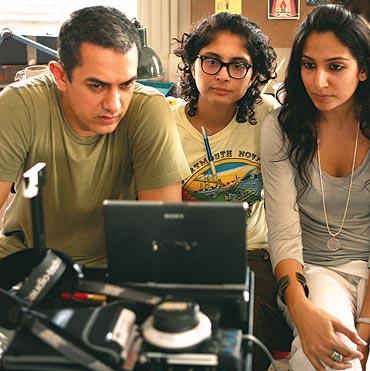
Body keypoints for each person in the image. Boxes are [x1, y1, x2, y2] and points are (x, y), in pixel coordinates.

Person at [0, 6, 190, 267]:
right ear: (60, 76)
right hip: (26, 254)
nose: (114, 104)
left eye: (126, 85)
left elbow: (160, 233)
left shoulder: (149, 110)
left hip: (115, 262)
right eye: (97, 85)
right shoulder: (19, 103)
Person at [172, 12, 292, 370]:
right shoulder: (166, 123)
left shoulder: (268, 116)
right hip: (187, 255)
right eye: (211, 61)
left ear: (254, 74)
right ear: (192, 64)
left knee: (244, 337)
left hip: (254, 255)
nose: (223, 75)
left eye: (238, 65)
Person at [261, 4, 370, 371]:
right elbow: (283, 234)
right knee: (331, 360)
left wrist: (366, 326)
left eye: (335, 67)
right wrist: (300, 309)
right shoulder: (281, 128)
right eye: (309, 65)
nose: (319, 81)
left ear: (364, 69)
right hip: (313, 272)